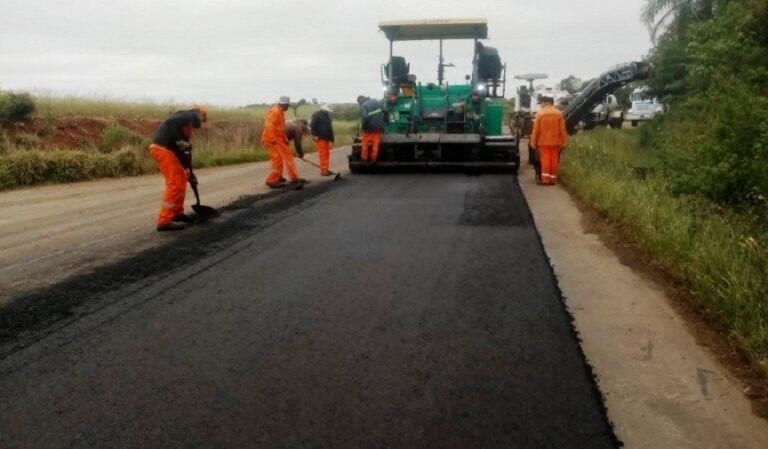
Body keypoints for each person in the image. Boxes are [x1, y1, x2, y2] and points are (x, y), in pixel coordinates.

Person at [149, 104, 208, 232]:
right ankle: (164, 221)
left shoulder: (185, 122)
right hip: (163, 149)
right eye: (203, 118)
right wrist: (179, 139)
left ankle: (177, 213)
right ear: (199, 113)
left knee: (181, 180)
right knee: (175, 184)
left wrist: (186, 169)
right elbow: (170, 123)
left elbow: (182, 150)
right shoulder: (189, 115)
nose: (202, 122)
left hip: (167, 150)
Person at [262, 96, 303, 189]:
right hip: (272, 139)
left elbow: (281, 129)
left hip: (278, 139)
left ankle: (281, 178)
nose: (288, 107)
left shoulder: (280, 112)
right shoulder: (275, 112)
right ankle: (273, 181)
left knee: (282, 158)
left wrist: (285, 139)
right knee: (280, 159)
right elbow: (269, 125)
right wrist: (272, 139)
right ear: (284, 104)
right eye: (288, 105)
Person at [530, 94, 568, 185]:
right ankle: (553, 179)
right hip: (555, 142)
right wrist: (564, 141)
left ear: (545, 102)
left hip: (543, 142)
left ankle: (546, 180)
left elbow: (536, 130)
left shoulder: (540, 113)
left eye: (541, 103)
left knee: (545, 160)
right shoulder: (558, 113)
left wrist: (533, 142)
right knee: (554, 160)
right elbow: (562, 129)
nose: (541, 105)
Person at [357, 95, 387, 163]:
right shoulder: (377, 101)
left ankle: (364, 159)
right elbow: (386, 111)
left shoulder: (363, 106)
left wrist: (363, 127)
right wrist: (386, 122)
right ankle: (373, 159)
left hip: (368, 129)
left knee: (365, 144)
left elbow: (365, 118)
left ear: (360, 101)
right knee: (375, 144)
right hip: (378, 128)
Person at [309, 104, 335, 176]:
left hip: (327, 137)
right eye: (327, 110)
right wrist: (314, 135)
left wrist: (332, 140)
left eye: (328, 111)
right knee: (323, 154)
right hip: (320, 138)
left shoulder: (328, 116)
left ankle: (326, 169)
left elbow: (330, 129)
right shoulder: (316, 115)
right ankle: (323, 171)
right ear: (323, 109)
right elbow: (312, 125)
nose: (328, 112)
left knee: (327, 154)